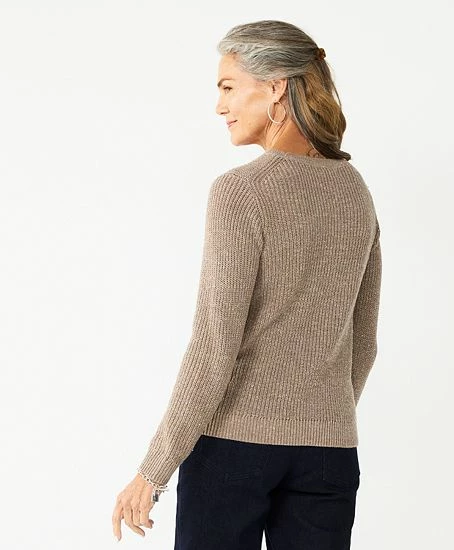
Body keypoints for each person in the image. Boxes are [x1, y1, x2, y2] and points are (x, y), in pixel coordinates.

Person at [112, 19, 382, 550]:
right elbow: (365, 343)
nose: (220, 106)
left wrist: (153, 470)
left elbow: (214, 348)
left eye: (228, 87)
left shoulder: (242, 192)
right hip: (329, 454)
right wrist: (318, 419)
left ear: (276, 87)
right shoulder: (355, 190)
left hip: (233, 450)